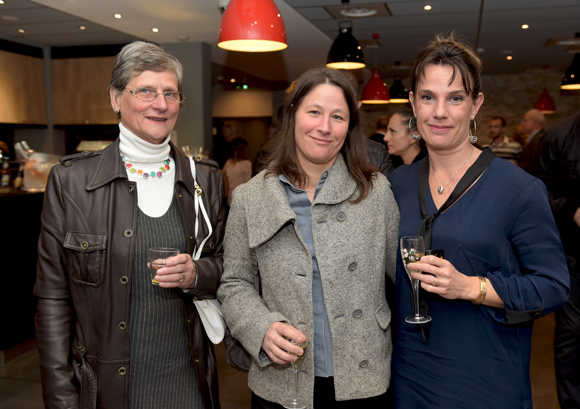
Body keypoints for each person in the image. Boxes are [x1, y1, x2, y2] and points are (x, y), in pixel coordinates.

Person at [34, 41, 226, 409]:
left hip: (189, 382)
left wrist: (196, 273)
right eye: (146, 91)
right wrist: (61, 399)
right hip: (106, 390)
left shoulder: (205, 180)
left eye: (171, 93)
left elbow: (229, 266)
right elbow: (53, 301)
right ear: (115, 98)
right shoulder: (72, 182)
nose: (161, 104)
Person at [388, 34, 569, 409]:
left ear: (475, 105)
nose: (440, 112)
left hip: (484, 379)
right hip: (408, 374)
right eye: (427, 97)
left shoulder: (518, 188)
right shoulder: (399, 183)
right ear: (412, 104)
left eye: (455, 98)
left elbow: (552, 286)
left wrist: (471, 287)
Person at [218, 67, 400, 409]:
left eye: (338, 117)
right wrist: (261, 327)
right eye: (314, 112)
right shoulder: (250, 198)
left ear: (350, 127)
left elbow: (402, 280)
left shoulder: (375, 193)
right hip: (282, 380)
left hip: (364, 379)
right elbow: (235, 284)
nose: (325, 127)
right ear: (292, 115)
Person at [535, 113, 580, 409]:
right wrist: (572, 211)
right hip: (573, 256)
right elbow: (539, 190)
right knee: (573, 335)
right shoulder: (559, 135)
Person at [223, 137, 252, 206]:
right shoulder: (246, 163)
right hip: (242, 201)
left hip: (230, 199)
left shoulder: (228, 163)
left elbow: (223, 176)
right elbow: (249, 184)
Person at [518, 109, 546, 173]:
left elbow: (536, 164)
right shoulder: (536, 137)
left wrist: (517, 166)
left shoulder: (540, 139)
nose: (522, 124)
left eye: (525, 120)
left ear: (534, 121)